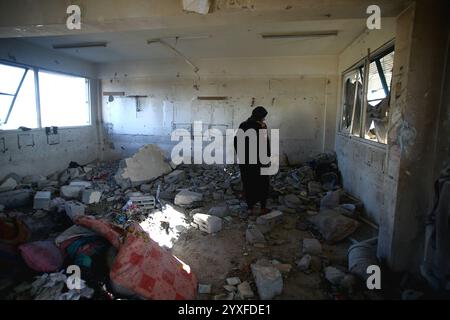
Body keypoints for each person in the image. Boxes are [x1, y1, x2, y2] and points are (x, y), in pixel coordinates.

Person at [234, 106, 271, 216]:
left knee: (248, 182)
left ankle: (250, 208)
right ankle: (263, 208)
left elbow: (236, 141)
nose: (264, 119)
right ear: (261, 116)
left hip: (245, 161)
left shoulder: (243, 125)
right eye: (264, 117)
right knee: (263, 183)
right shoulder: (261, 126)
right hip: (259, 161)